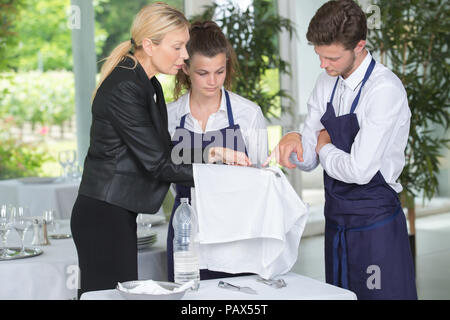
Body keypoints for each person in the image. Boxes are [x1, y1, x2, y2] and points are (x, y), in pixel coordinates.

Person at [70, 4, 248, 298]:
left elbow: (163, 148)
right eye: (177, 47)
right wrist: (216, 177)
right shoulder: (126, 87)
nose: (185, 56)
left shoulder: (147, 83)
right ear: (149, 46)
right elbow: (158, 164)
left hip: (115, 212)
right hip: (102, 214)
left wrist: (213, 153)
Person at [265, 0, 417, 300]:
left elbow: (359, 171)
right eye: (319, 55)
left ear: (359, 45)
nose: (323, 65)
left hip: (375, 227)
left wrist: (323, 146)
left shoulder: (384, 90)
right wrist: (296, 139)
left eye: (331, 57)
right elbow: (308, 158)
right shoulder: (327, 82)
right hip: (337, 224)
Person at [166, 21, 268, 281]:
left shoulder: (248, 114)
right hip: (186, 229)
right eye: (203, 73)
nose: (213, 82)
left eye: (219, 71)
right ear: (185, 67)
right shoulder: (169, 116)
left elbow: (261, 177)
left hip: (237, 233)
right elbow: (163, 171)